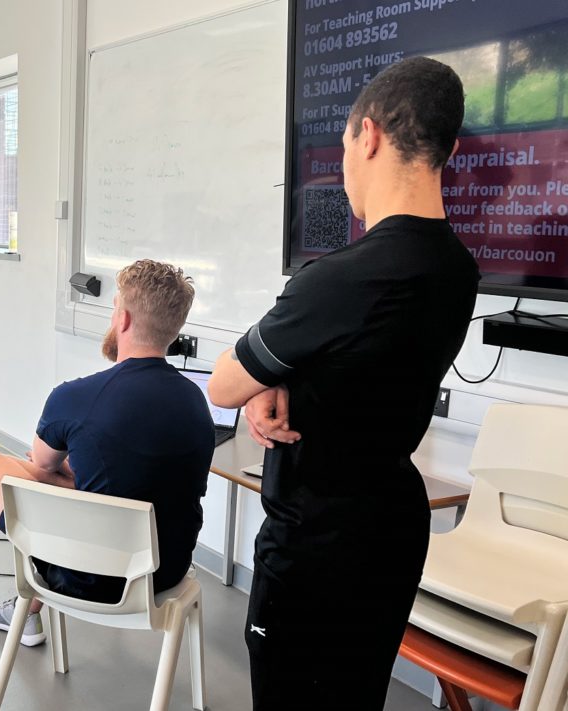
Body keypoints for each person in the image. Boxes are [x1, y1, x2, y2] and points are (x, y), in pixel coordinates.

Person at [208, 56, 480, 710]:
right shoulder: (457, 268)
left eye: (345, 146)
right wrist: (281, 381)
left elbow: (223, 384)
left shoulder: (343, 277)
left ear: (370, 135)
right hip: (391, 527)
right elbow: (360, 361)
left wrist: (261, 384)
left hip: (314, 542)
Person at [0, 259, 214, 646]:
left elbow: (42, 465)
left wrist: (70, 474)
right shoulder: (195, 401)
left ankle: (25, 607)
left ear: (124, 319)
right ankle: (25, 610)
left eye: (114, 307)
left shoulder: (73, 396)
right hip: (164, 572)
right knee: (102, 483)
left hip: (83, 577)